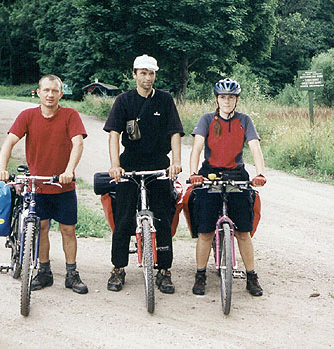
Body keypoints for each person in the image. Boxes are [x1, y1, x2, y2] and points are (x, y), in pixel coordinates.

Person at [0, 74, 88, 294]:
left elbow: (78, 143)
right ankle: (44, 271)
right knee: (41, 227)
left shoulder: (70, 115)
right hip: (37, 185)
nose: (50, 95)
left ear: (61, 93)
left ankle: (71, 273)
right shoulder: (27, 116)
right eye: (46, 90)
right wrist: (2, 168)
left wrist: (68, 171)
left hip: (62, 185)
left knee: (68, 229)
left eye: (55, 91)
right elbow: (9, 141)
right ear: (38, 92)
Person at [103, 54, 184, 294]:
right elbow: (113, 135)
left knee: (163, 218)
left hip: (159, 164)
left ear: (155, 76)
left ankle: (164, 270)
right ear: (134, 74)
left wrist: (176, 163)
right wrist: (115, 165)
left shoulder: (165, 100)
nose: (147, 78)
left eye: (151, 73)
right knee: (124, 217)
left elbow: (175, 134)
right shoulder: (123, 101)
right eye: (143, 73)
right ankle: (118, 268)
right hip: (130, 165)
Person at [189, 78, 266, 297]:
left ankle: (251, 277)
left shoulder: (245, 120)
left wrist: (260, 173)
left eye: (231, 98)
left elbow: (255, 147)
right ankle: (200, 274)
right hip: (209, 174)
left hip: (236, 175)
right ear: (217, 99)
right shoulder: (206, 119)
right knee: (204, 231)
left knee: (243, 231)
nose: (226, 101)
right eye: (223, 97)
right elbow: (197, 148)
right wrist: (194, 173)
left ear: (236, 100)